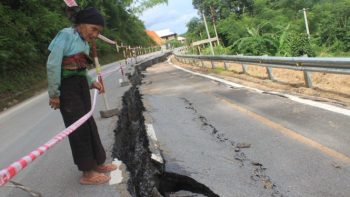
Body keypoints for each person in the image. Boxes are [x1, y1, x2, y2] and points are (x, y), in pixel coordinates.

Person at [46, 7, 117, 185]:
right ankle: (87, 172)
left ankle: (98, 162)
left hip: (80, 86)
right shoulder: (66, 35)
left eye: (98, 32)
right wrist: (54, 93)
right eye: (93, 29)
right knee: (77, 127)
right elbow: (53, 65)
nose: (95, 34)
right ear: (81, 24)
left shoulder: (84, 42)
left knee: (88, 122)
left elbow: (81, 68)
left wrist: (92, 81)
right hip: (67, 88)